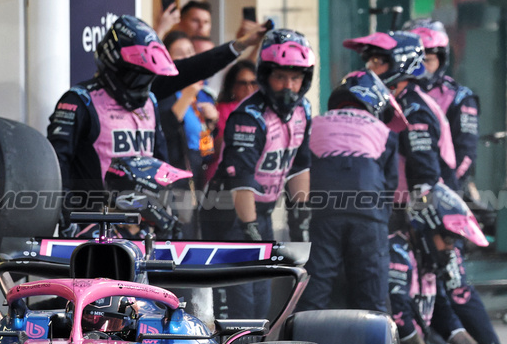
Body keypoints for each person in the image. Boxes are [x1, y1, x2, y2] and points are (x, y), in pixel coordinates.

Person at [208, 29, 314, 319]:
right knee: (240, 302)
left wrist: (300, 215)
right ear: (265, 75)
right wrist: (250, 229)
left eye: (296, 78)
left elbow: (299, 164)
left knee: (262, 300)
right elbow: (239, 179)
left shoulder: (304, 110)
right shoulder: (248, 116)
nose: (288, 86)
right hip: (229, 213)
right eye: (280, 77)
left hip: (263, 213)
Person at [47, 15, 176, 216]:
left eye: (147, 77)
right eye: (137, 76)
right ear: (115, 65)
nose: (142, 84)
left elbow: (161, 161)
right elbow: (56, 162)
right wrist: (64, 212)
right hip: (95, 222)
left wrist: (167, 208)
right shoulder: (79, 100)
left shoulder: (150, 101)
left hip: (143, 220)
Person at [298, 71, 402, 314]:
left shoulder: (315, 123)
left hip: (324, 212)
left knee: (316, 289)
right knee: (372, 295)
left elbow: (301, 169)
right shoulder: (384, 131)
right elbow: (391, 185)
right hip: (369, 212)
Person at [387, 184, 489, 344]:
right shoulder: (396, 252)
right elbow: (400, 316)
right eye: (448, 240)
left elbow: (443, 312)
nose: (451, 248)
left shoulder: (429, 260)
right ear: (426, 229)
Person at [343, 31, 455, 209]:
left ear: (400, 63)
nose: (369, 69)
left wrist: (415, 226)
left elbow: (426, 177)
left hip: (413, 213)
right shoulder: (396, 100)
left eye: (377, 62)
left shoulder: (413, 108)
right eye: (369, 61)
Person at [405, 19, 480, 192]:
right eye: (416, 61)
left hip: (441, 191)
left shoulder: (459, 98)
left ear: (442, 59)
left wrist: (443, 192)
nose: (421, 68)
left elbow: (466, 154)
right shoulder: (392, 94)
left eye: (428, 60)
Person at [157, 32, 216, 183]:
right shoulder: (162, 91)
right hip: (173, 178)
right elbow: (164, 130)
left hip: (198, 174)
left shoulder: (200, 92)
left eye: (190, 52)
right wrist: (187, 96)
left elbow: (205, 148)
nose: (188, 58)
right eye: (179, 54)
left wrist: (212, 123)